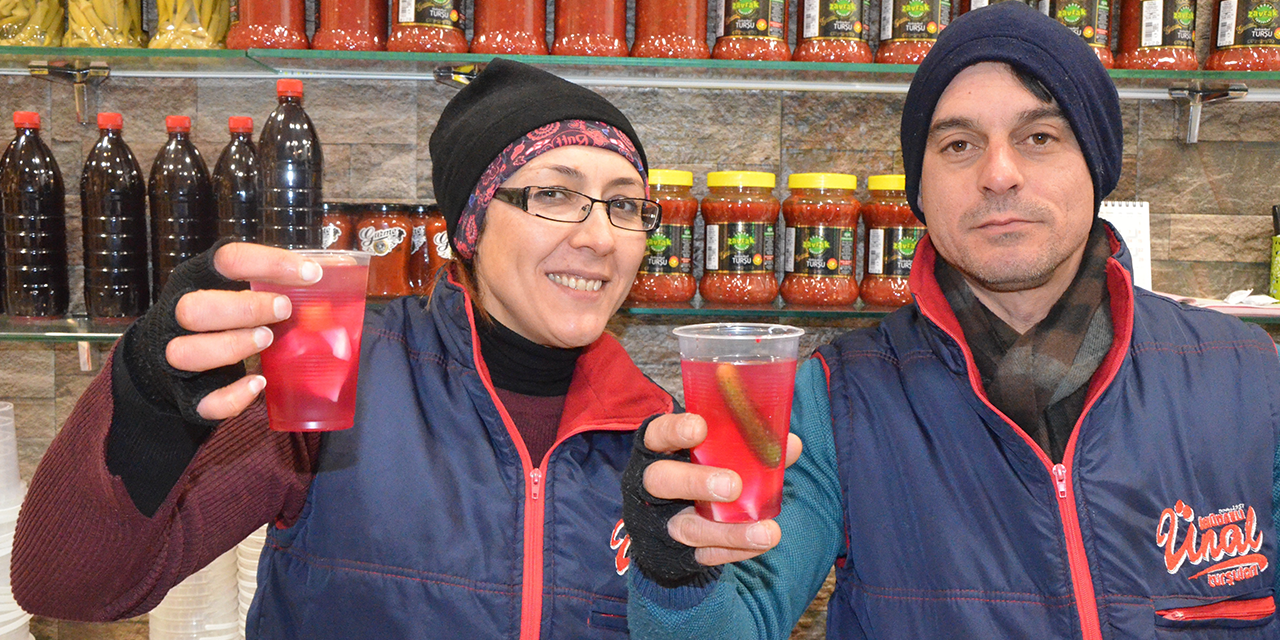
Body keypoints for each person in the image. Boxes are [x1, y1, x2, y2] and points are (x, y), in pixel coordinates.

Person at [620, 4, 1280, 638]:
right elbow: (737, 622)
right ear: (921, 189)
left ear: (1097, 165)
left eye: (1040, 137)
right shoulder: (833, 401)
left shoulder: (1250, 379)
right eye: (959, 144)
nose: (999, 174)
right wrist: (676, 572)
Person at [13, 59, 677, 639]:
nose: (600, 237)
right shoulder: (337, 376)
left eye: (625, 206)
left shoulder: (662, 434)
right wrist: (147, 397)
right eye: (555, 194)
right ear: (470, 225)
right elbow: (68, 587)